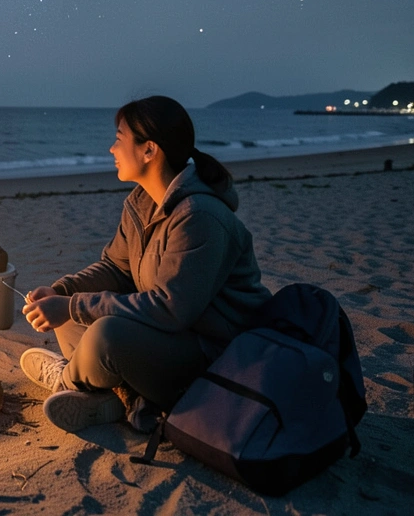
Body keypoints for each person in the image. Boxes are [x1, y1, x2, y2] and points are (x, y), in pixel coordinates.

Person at [19, 96, 272, 432]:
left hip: (215, 358)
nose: (112, 149)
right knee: (69, 318)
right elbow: (115, 269)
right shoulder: (141, 203)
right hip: (168, 338)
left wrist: (73, 305)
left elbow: (171, 308)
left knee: (104, 333)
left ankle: (66, 382)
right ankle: (119, 396)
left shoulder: (200, 217)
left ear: (149, 150)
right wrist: (62, 292)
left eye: (119, 139)